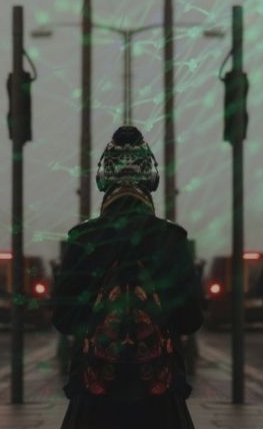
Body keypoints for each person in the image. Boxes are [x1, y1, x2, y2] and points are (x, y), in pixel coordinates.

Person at [52, 126, 203, 429]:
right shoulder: (171, 239)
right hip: (158, 401)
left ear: (103, 180)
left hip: (96, 399)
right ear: (151, 180)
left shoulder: (83, 238)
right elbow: (190, 320)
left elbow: (64, 320)